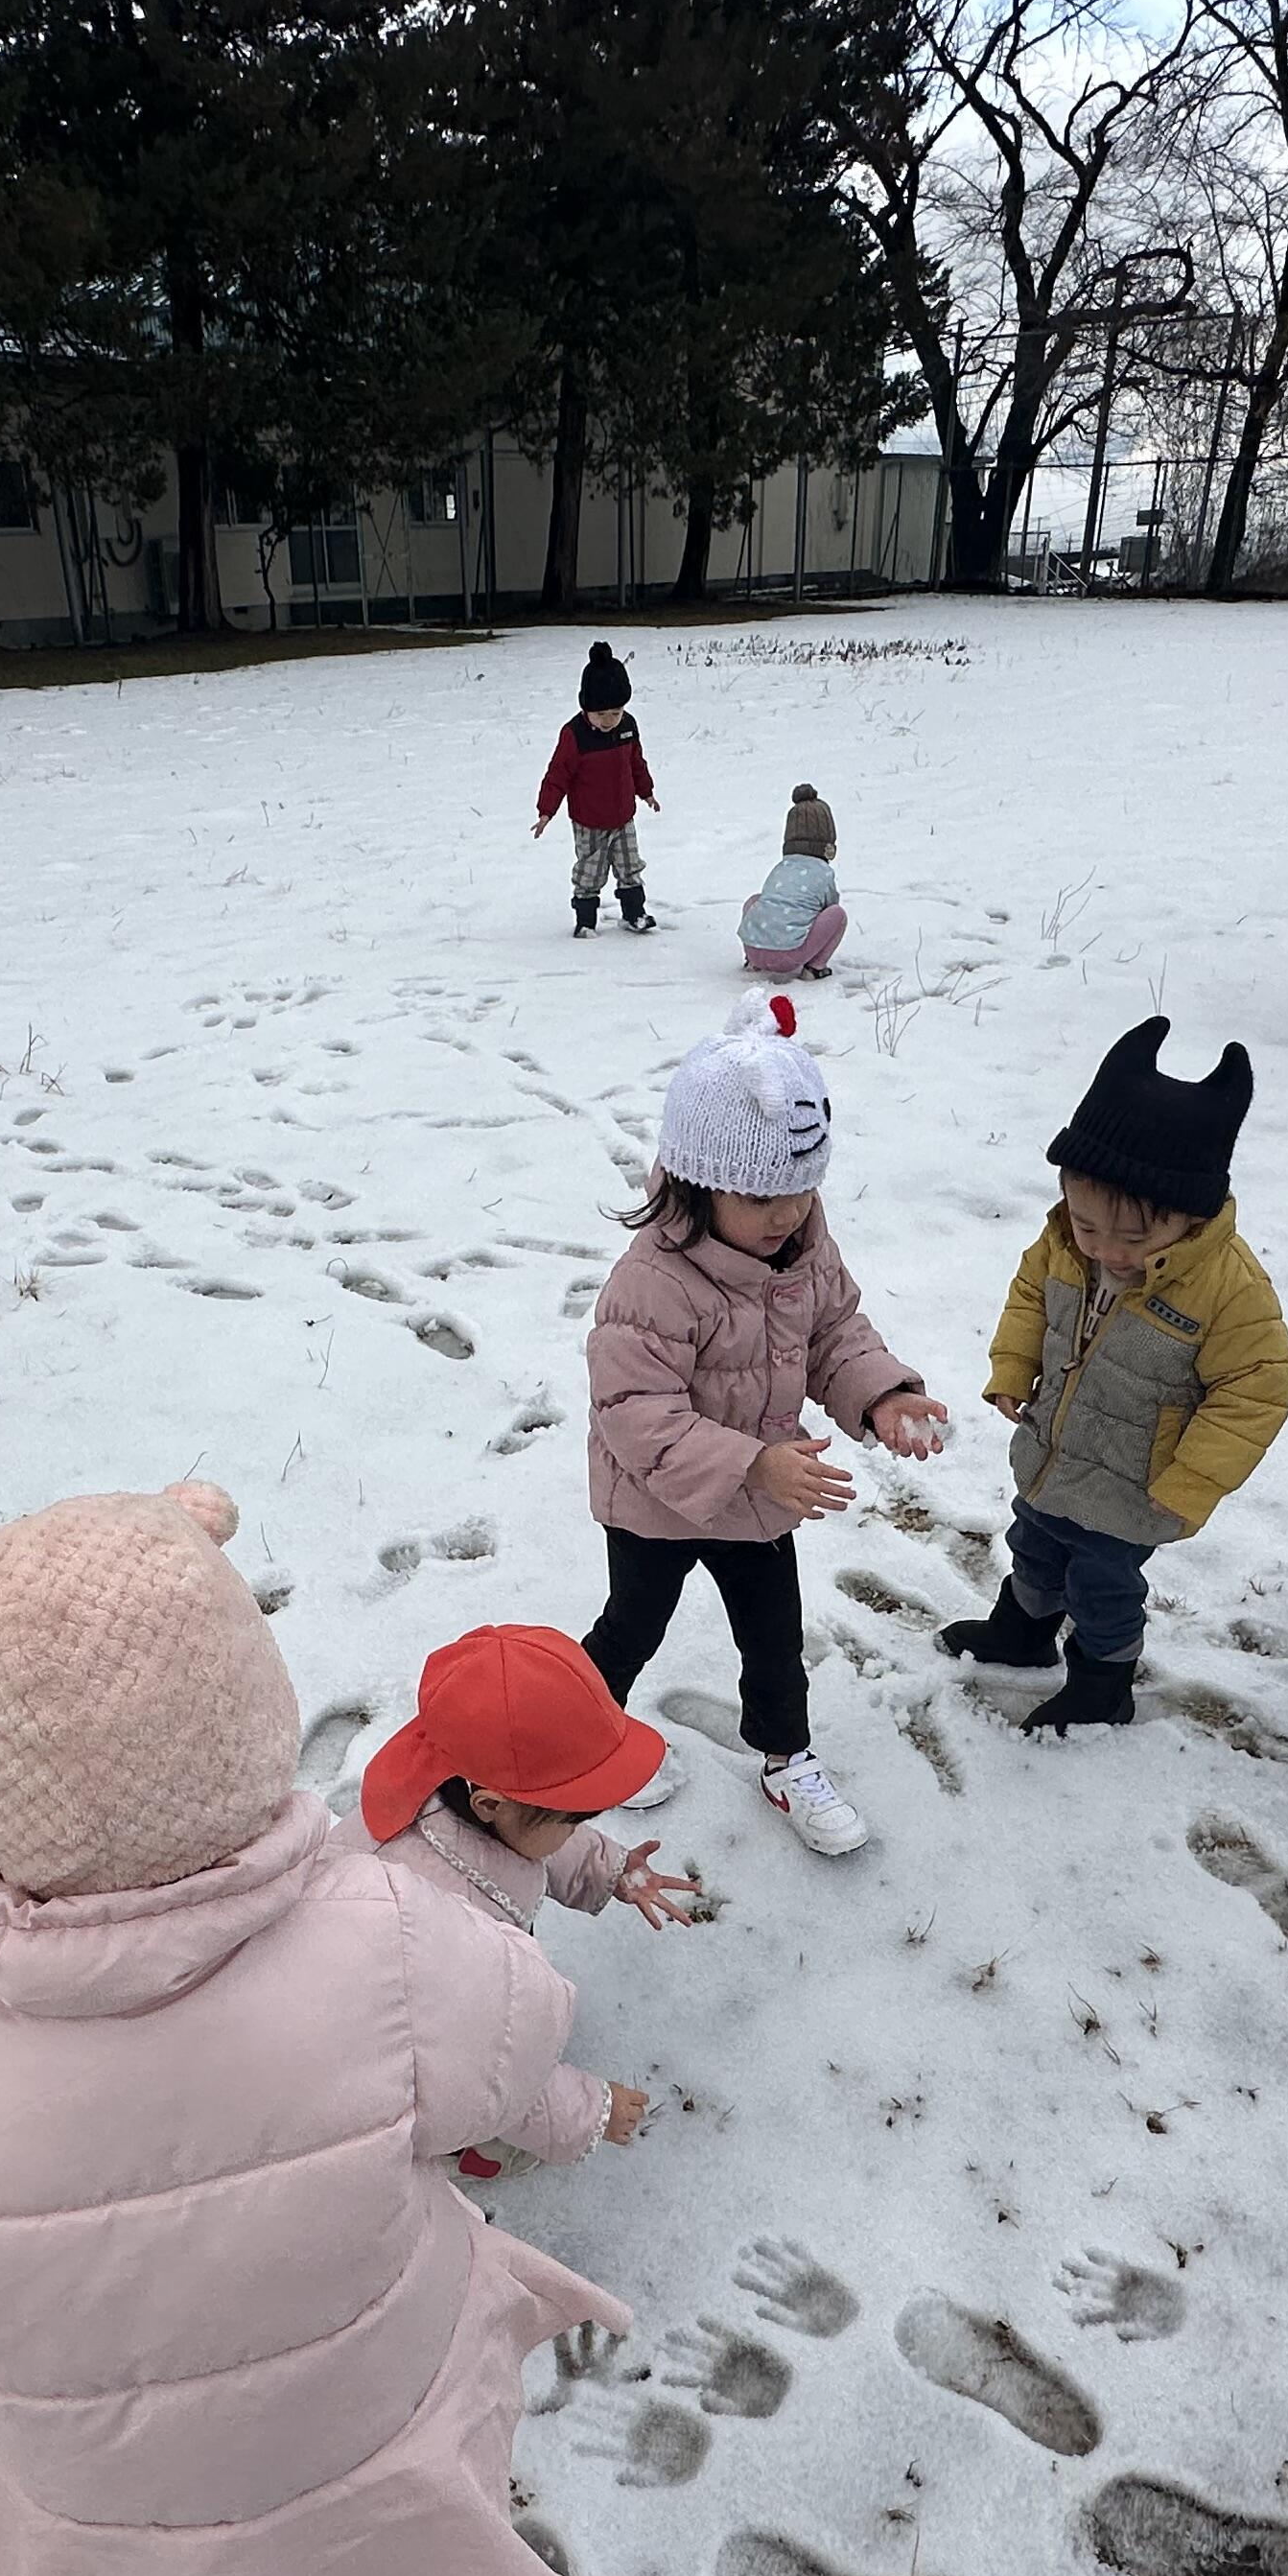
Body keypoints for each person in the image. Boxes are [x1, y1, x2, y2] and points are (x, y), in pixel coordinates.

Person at [0, 1484, 641, 2576]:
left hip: (84, 2460)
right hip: (340, 2430)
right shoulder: (388, 1938)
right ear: (237, 1710)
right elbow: (508, 2068)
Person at [580, 992, 945, 1857]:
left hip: (758, 1504)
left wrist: (881, 1393)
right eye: (762, 1197)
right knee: (630, 1627)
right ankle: (582, 1742)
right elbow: (636, 1414)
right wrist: (751, 1463)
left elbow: (834, 1332)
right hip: (655, 1504)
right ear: (700, 1186)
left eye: (802, 1188)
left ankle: (787, 1761)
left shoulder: (802, 1244)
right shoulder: (653, 1286)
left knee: (776, 1639)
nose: (788, 1214)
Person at [942, 1021, 1288, 1732]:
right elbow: (1029, 1296)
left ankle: (1104, 1684)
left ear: (1191, 1217)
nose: (1108, 1250)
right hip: (1056, 1453)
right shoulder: (1063, 1243)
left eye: (1134, 1238)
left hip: (1139, 1480)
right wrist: (1013, 1366)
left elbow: (1260, 1387)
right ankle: (1024, 1631)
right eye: (1088, 1226)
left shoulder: (1227, 1289)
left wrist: (1189, 1483)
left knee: (1102, 1585)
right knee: (1034, 1544)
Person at [346, 1624, 696, 2178]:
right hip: (381, 2066)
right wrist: (586, 2110)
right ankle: (471, 2154)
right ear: (488, 1804)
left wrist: (609, 1870)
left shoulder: (449, 1777)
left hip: (419, 2012)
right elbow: (473, 2065)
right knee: (474, 2115)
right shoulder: (443, 1923)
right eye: (573, 1818)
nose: (581, 1826)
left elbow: (534, 1839)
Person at [535, 643, 661, 939]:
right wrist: (546, 811)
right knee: (590, 872)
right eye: (601, 713)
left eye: (615, 713)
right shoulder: (574, 735)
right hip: (589, 820)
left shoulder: (627, 727)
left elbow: (636, 763)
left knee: (630, 866)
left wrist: (646, 792)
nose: (608, 721)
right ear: (585, 708)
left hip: (622, 817)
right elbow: (557, 774)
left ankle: (635, 914)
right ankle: (585, 921)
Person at [738, 784, 847, 978]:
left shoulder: (781, 868)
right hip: (788, 957)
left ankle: (752, 960)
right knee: (837, 915)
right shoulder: (823, 873)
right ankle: (815, 968)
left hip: (755, 950)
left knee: (756, 900)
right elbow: (829, 910)